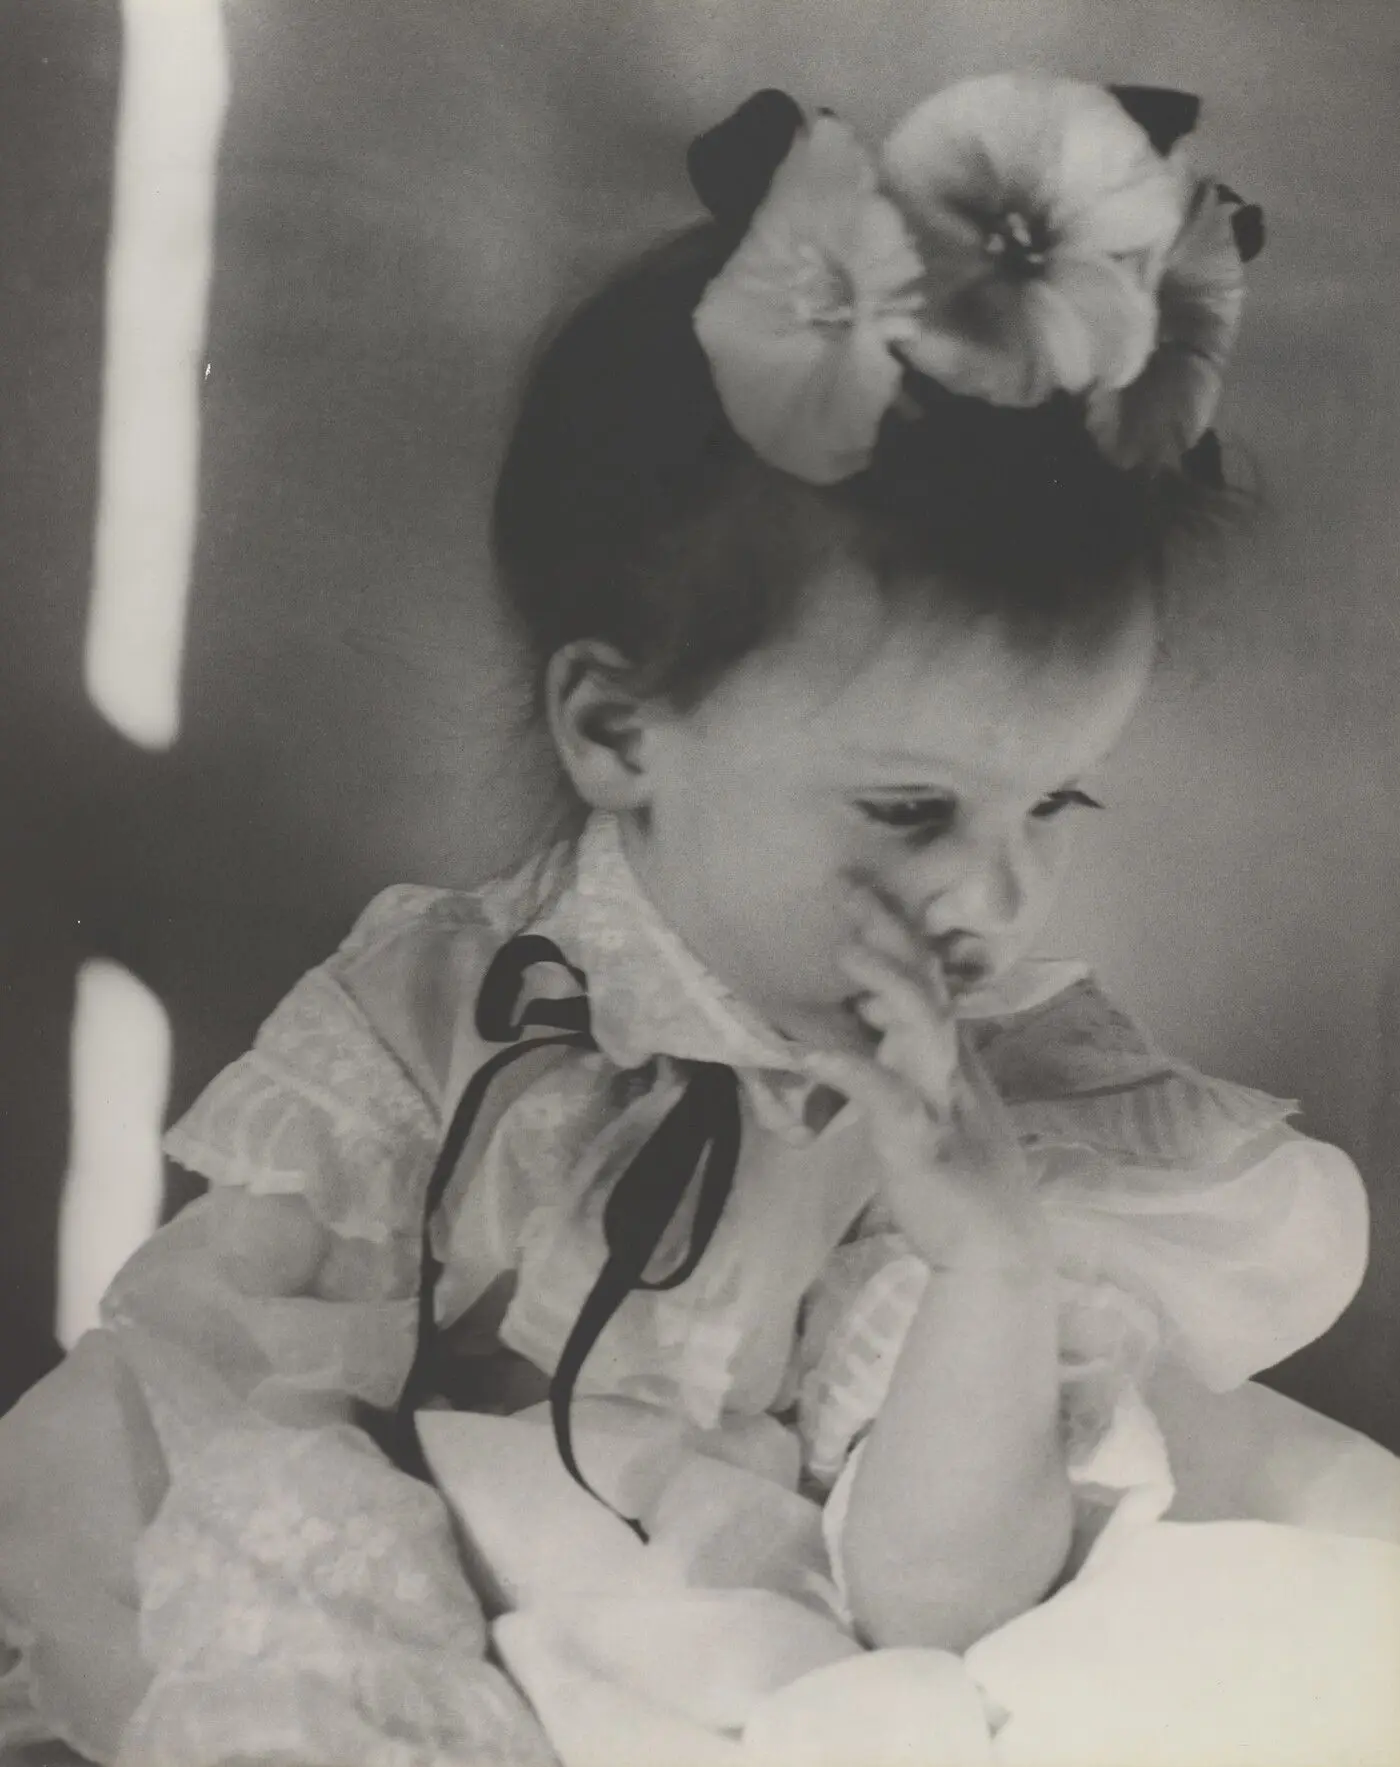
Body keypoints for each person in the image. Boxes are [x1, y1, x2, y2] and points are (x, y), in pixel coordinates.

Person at [1, 71, 1393, 1767]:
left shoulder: (957, 1107)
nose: (998, 890)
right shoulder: (431, 1022)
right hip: (441, 1621)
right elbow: (230, 1430)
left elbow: (941, 1603)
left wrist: (986, 1263)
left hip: (781, 1653)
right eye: (911, 809)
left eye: (1052, 805)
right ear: (617, 731)